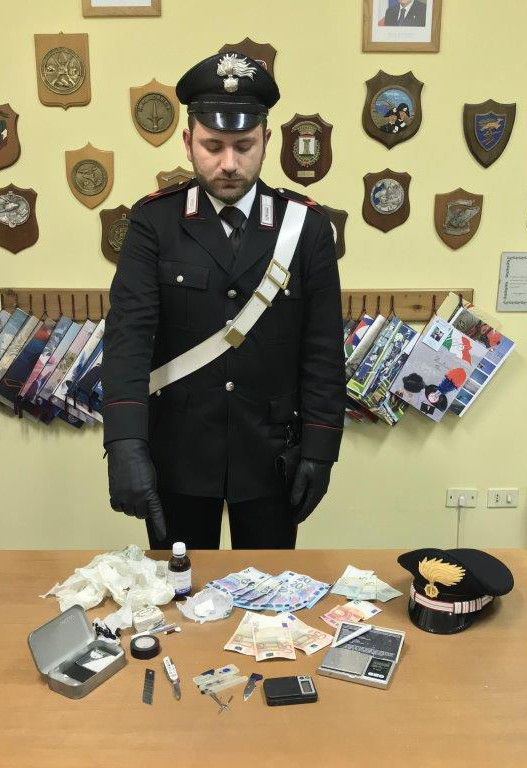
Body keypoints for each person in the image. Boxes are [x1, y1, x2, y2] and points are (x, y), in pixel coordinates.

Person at [101, 52, 346, 550]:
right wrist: (124, 441)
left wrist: (321, 449)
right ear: (187, 142)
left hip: (272, 455)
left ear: (267, 142)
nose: (229, 164)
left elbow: (322, 349)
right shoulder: (154, 223)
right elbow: (128, 337)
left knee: (270, 592)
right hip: (179, 453)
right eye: (212, 146)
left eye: (244, 146)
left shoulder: (306, 228)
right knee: (179, 589)